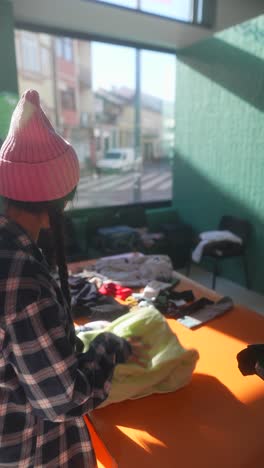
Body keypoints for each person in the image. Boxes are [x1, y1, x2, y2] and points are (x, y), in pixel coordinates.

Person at [0, 89, 147, 467]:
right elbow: (61, 400)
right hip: (26, 451)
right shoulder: (23, 279)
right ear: (56, 206)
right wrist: (108, 348)